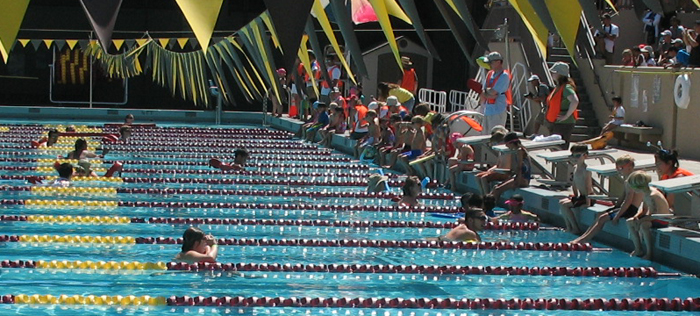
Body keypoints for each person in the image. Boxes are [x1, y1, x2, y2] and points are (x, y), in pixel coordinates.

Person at [571, 155, 643, 244]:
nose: (619, 171)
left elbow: (628, 201)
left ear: (629, 167)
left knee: (602, 218)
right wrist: (615, 207)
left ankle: (584, 239)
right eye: (617, 168)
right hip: (626, 207)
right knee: (599, 214)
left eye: (621, 168)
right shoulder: (627, 179)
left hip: (631, 209)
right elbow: (622, 197)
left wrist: (617, 216)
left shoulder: (632, 181)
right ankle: (584, 236)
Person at [626, 171, 671, 260]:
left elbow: (654, 215)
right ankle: (638, 249)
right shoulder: (645, 193)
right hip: (653, 218)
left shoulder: (652, 195)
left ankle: (649, 253)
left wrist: (640, 221)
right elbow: (644, 210)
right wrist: (637, 216)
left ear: (637, 187)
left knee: (644, 226)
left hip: (662, 219)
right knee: (629, 222)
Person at [559, 144, 594, 234]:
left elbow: (588, 188)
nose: (575, 158)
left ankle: (575, 228)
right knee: (561, 202)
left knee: (564, 205)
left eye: (578, 156)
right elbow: (574, 185)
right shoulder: (575, 168)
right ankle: (568, 227)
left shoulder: (586, 170)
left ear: (585, 156)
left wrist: (588, 203)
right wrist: (574, 196)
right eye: (572, 155)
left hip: (589, 197)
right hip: (581, 196)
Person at [490, 132, 531, 202]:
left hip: (523, 180)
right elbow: (514, 170)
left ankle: (491, 206)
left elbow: (519, 167)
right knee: (495, 187)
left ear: (511, 143)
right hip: (518, 178)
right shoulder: (515, 151)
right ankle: (489, 204)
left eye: (506, 144)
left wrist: (517, 182)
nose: (506, 146)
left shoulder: (520, 151)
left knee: (497, 190)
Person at [545, 62, 579, 149]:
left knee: (559, 148)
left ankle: (561, 163)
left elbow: (575, 101)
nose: (552, 74)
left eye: (554, 72)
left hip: (564, 123)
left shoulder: (566, 87)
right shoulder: (559, 86)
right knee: (555, 147)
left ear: (560, 74)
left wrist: (566, 116)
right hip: (558, 123)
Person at [480, 52, 510, 134]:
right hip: (488, 110)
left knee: (496, 136)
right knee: (485, 137)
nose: (489, 65)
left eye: (491, 62)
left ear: (498, 62)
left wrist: (488, 93)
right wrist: (488, 93)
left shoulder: (504, 76)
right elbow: (484, 91)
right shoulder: (490, 74)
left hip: (498, 111)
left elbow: (494, 92)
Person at [476, 129, 511, 196]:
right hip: (498, 171)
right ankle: (482, 194)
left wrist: (495, 170)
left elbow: (506, 167)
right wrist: (491, 169)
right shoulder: (501, 152)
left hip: (503, 173)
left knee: (484, 178)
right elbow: (497, 164)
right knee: (477, 176)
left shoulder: (507, 152)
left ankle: (487, 196)